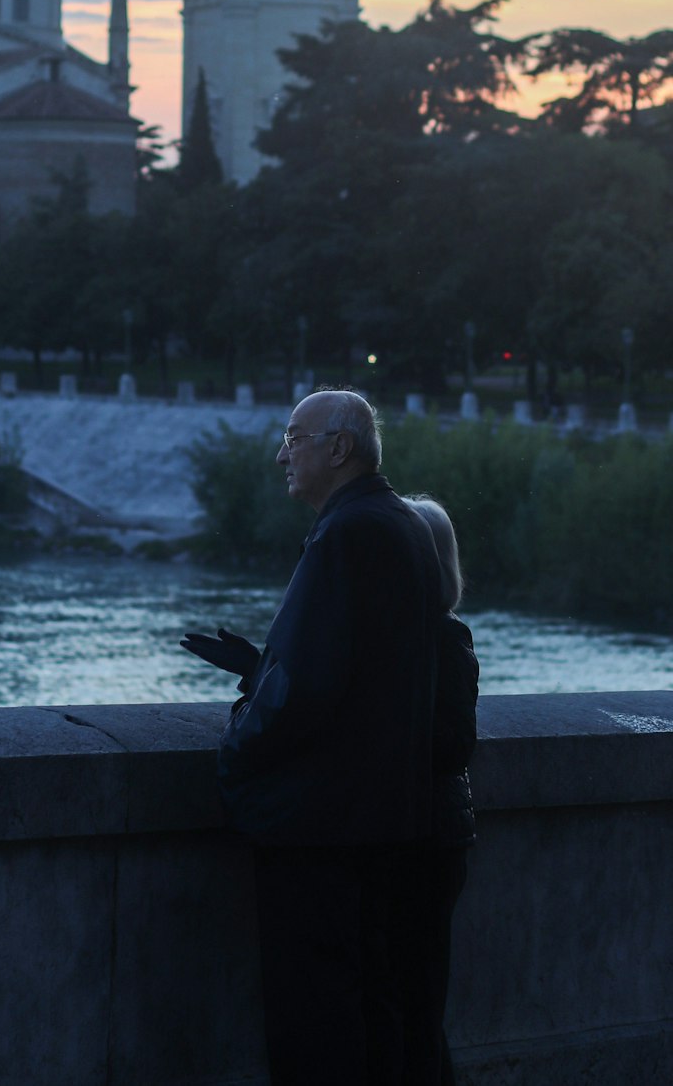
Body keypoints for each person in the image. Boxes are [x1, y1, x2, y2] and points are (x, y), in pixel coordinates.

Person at [181, 387, 442, 1086]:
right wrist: (263, 666)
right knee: (373, 1008)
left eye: (295, 438)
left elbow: (305, 691)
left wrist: (235, 752)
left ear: (339, 447)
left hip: (320, 828)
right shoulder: (406, 527)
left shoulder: (345, 533)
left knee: (313, 1018)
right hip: (386, 823)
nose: (281, 454)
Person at [401, 497, 479, 1086]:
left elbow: (453, 743)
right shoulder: (435, 634)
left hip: (427, 836)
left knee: (417, 1005)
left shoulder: (445, 639)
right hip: (435, 830)